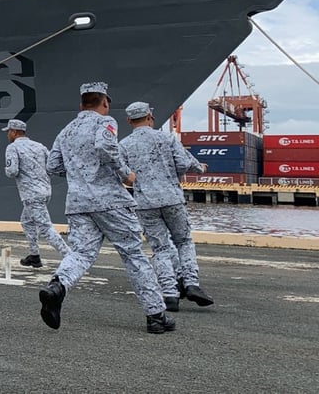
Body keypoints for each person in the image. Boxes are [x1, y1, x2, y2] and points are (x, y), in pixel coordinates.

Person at [38, 82, 175, 334]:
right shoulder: (105, 122)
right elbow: (104, 146)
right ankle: (156, 316)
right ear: (104, 103)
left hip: (79, 203)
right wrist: (124, 173)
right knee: (133, 254)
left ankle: (57, 286)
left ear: (81, 104)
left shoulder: (65, 131)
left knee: (80, 253)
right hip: (111, 201)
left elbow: (53, 166)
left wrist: (79, 175)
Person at [119, 102, 214, 312]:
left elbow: (124, 177)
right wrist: (198, 168)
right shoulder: (166, 138)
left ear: (128, 121)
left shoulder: (123, 145)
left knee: (160, 248)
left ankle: (170, 294)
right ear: (150, 117)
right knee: (183, 241)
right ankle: (191, 283)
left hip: (144, 203)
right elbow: (182, 163)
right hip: (172, 198)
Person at [3, 118, 71, 268]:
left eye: (8, 131)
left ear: (14, 132)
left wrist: (7, 169)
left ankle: (71, 257)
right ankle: (34, 256)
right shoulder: (39, 146)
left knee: (45, 228)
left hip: (30, 194)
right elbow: (52, 167)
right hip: (45, 191)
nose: (8, 134)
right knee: (27, 222)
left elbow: (12, 171)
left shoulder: (13, 148)